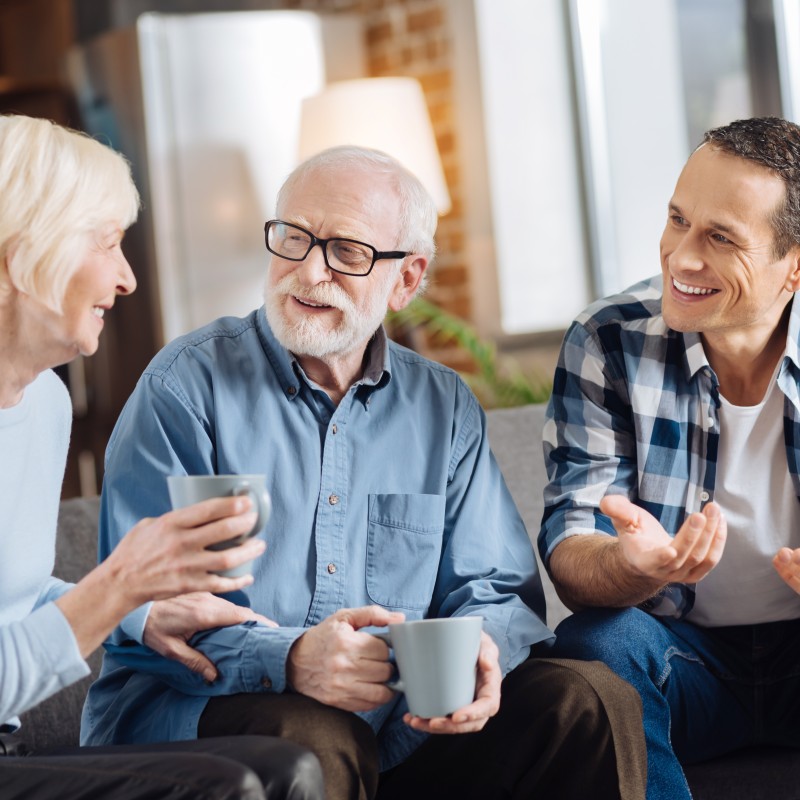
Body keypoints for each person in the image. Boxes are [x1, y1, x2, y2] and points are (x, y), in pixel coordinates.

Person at [81, 144, 647, 800]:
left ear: (407, 280)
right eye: (293, 238)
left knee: (588, 700)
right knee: (315, 740)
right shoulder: (185, 387)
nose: (308, 271)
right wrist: (291, 660)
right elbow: (140, 604)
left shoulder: (444, 405)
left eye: (345, 251)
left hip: (395, 730)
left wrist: (482, 652)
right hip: (196, 719)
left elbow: (494, 590)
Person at [0, 114, 324, 800]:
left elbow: (14, 601)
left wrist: (137, 611)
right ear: (25, 248)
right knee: (224, 789)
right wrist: (116, 585)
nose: (126, 280)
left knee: (286, 770)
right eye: (109, 244)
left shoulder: (45, 405)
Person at [538, 115, 800, 800]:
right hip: (681, 658)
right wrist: (626, 566)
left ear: (794, 264)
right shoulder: (608, 340)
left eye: (720, 238)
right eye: (678, 220)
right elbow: (573, 546)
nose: (681, 258)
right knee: (597, 649)